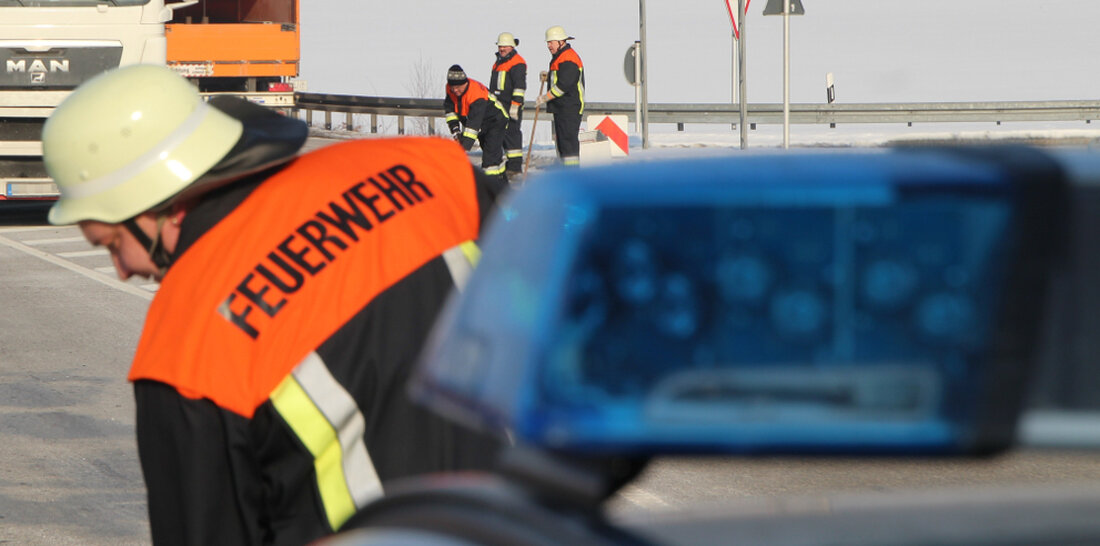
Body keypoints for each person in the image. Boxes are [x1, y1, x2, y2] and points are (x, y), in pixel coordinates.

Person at [41, 64, 506, 545]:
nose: (121, 269)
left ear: (163, 204)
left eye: (113, 243)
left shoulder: (185, 353)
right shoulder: (428, 168)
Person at [443, 64, 510, 183]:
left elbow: (473, 126)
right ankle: (503, 186)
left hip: (496, 120)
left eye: (458, 87)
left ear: (465, 82)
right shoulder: (450, 89)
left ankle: (491, 189)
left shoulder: (475, 94)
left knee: (490, 159)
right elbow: (450, 111)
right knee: (494, 156)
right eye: (453, 87)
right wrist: (456, 131)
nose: (455, 90)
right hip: (481, 123)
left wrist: (463, 150)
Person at [535, 25, 585, 167]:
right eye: (548, 42)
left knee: (568, 145)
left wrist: (545, 97)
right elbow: (558, 78)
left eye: (551, 42)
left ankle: (572, 174)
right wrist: (549, 76)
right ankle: (566, 172)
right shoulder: (560, 57)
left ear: (561, 42)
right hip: (562, 108)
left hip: (569, 108)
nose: (548, 45)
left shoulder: (568, 58)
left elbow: (564, 85)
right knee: (563, 144)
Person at [489, 32, 527, 178]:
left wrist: (515, 105)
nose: (502, 48)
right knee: (501, 134)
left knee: (512, 134)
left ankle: (515, 166)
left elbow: (519, 87)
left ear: (511, 46)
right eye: (500, 46)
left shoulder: (517, 62)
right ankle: (506, 165)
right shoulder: (499, 62)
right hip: (498, 105)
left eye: (504, 46)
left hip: (510, 105)